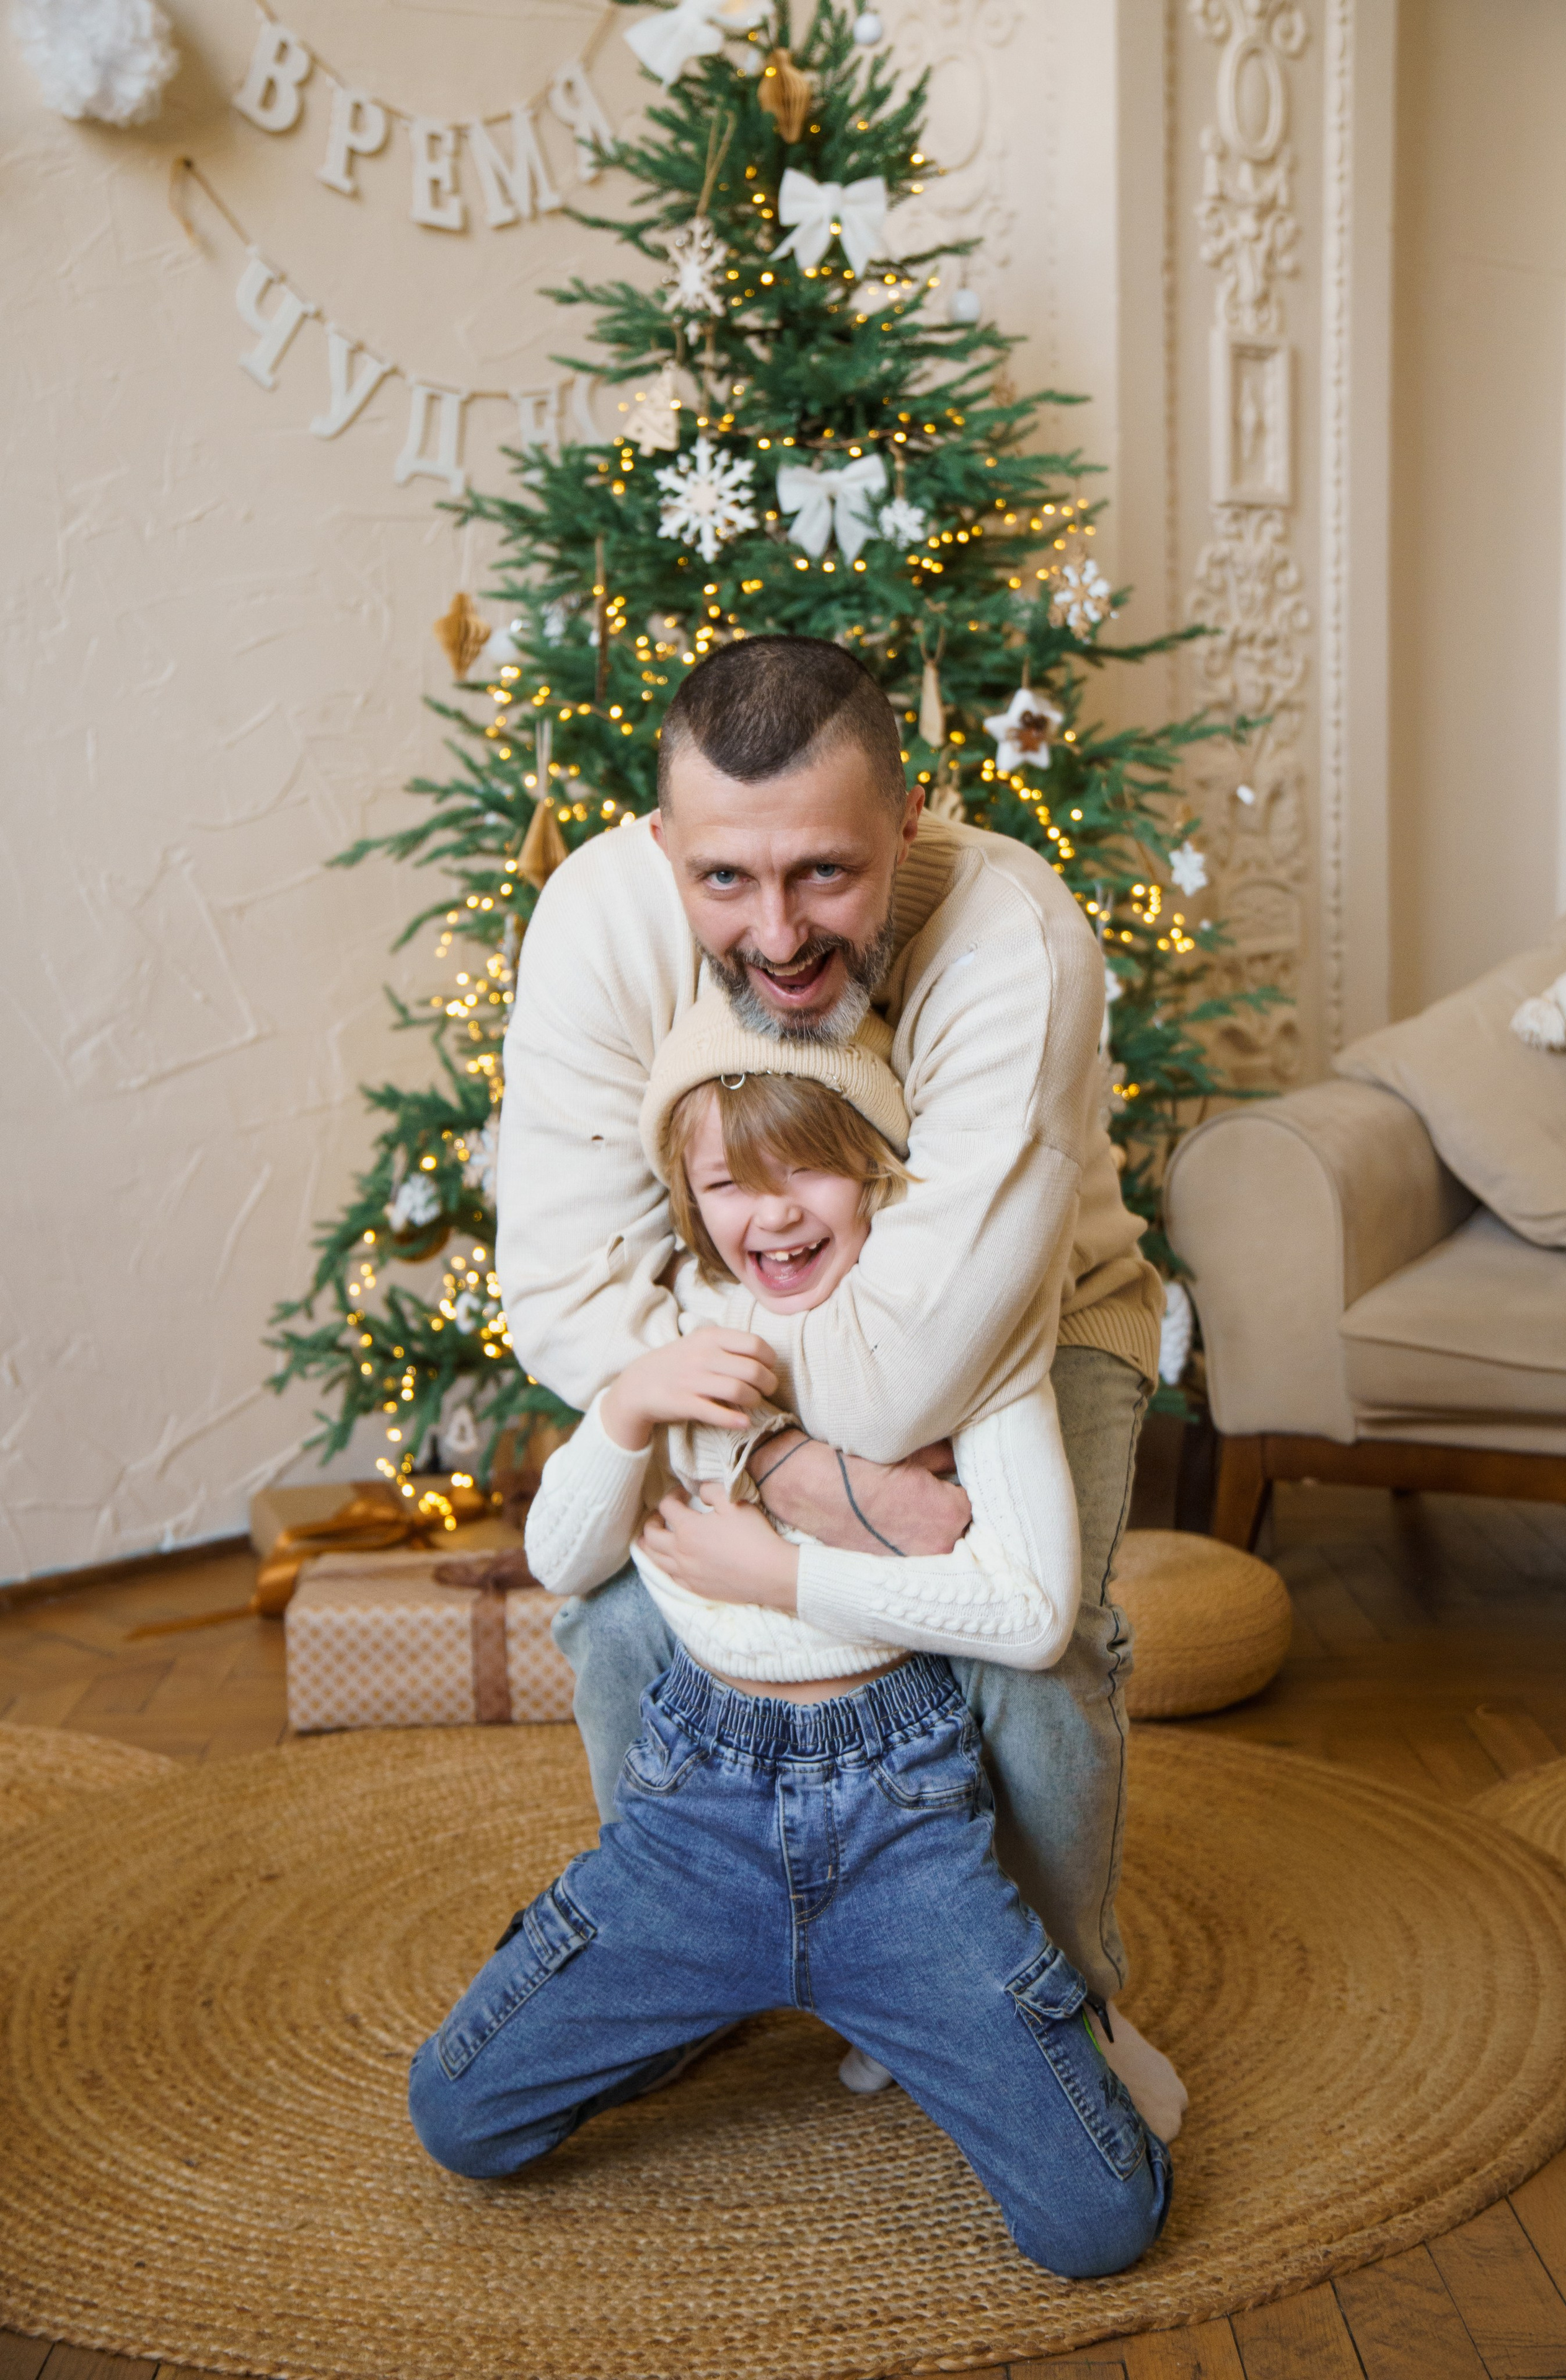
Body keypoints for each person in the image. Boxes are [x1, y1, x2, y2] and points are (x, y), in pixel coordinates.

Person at [409, 1014, 1174, 2280]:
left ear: (876, 1165)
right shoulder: (673, 1333)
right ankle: (669, 1982)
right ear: (685, 1193)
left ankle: (1010, 2013)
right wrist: (627, 1404)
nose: (767, 1214)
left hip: (900, 1820)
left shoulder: (962, 1338)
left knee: (1096, 2225)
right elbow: (561, 1559)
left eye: (805, 1168)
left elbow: (1033, 1612)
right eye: (724, 1181)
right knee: (461, 2114)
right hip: (694, 1811)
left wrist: (781, 1573)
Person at [496, 635, 1166, 2042]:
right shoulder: (591, 924)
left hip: (1036, 1313)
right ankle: (686, 1950)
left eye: (825, 872)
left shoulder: (1017, 937)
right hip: (724, 1342)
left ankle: (1053, 2014)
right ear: (660, 841)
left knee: (1033, 1657)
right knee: (616, 1617)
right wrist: (802, 1471)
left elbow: (923, 1355)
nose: (778, 934)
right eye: (722, 877)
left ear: (907, 815)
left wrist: (761, 1448)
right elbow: (562, 1289)